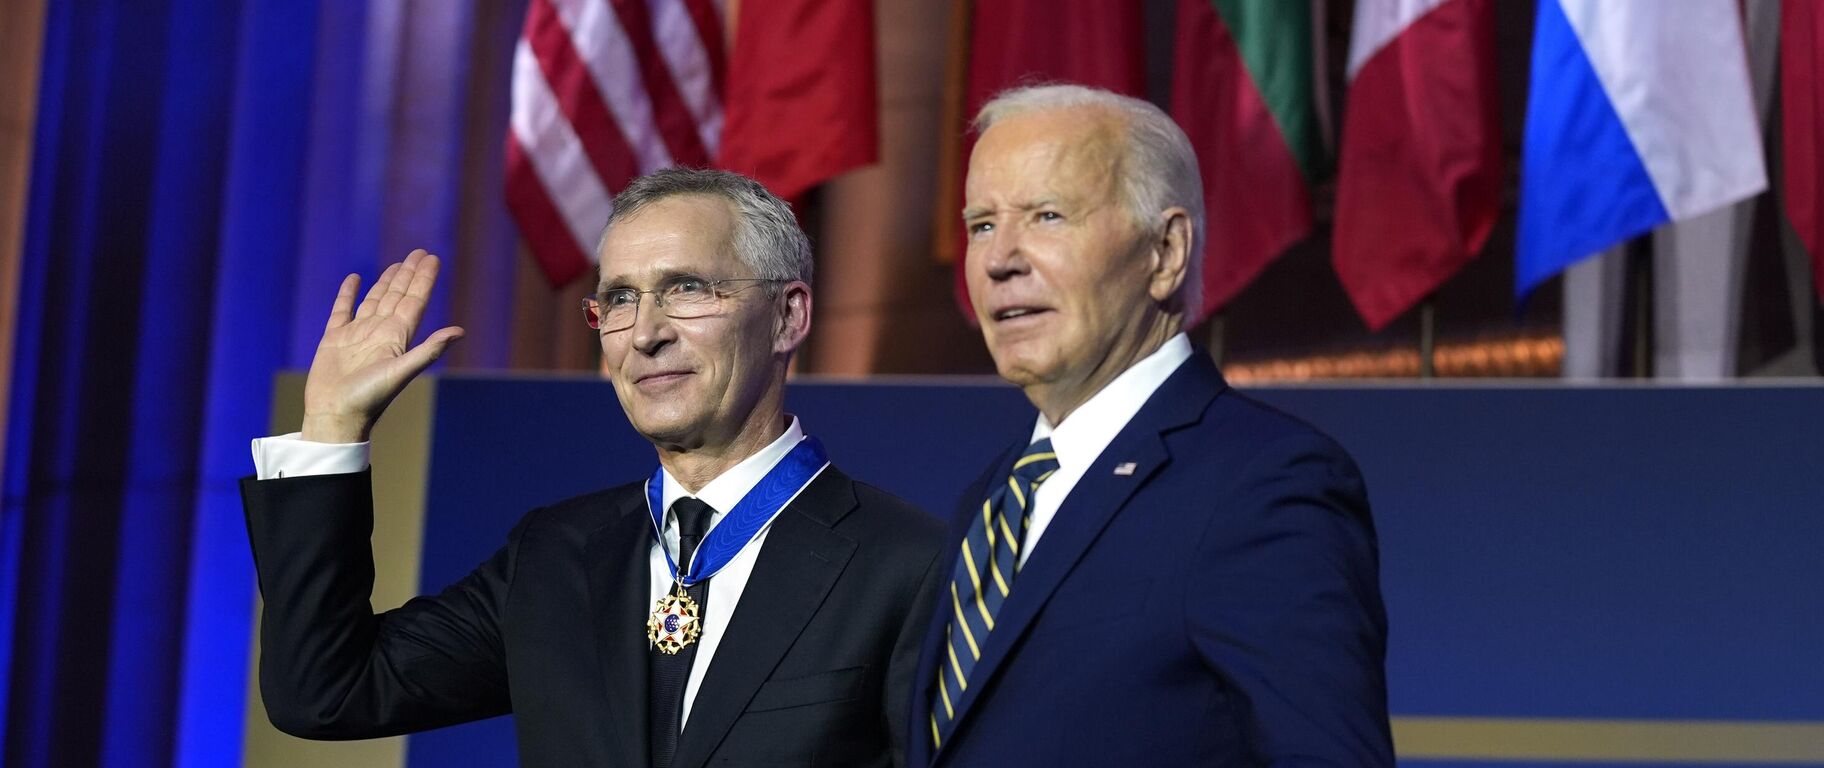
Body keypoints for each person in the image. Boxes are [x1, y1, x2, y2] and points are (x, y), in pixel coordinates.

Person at [242, 168, 945, 767]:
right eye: (618, 299)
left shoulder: (911, 568)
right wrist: (331, 428)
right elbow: (325, 691)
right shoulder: (556, 556)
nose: (645, 333)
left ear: (788, 316)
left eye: (688, 288)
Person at [909, 84, 1393, 765]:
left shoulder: (1261, 487)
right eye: (982, 224)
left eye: (1047, 216)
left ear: (1164, 251)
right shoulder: (991, 502)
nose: (999, 259)